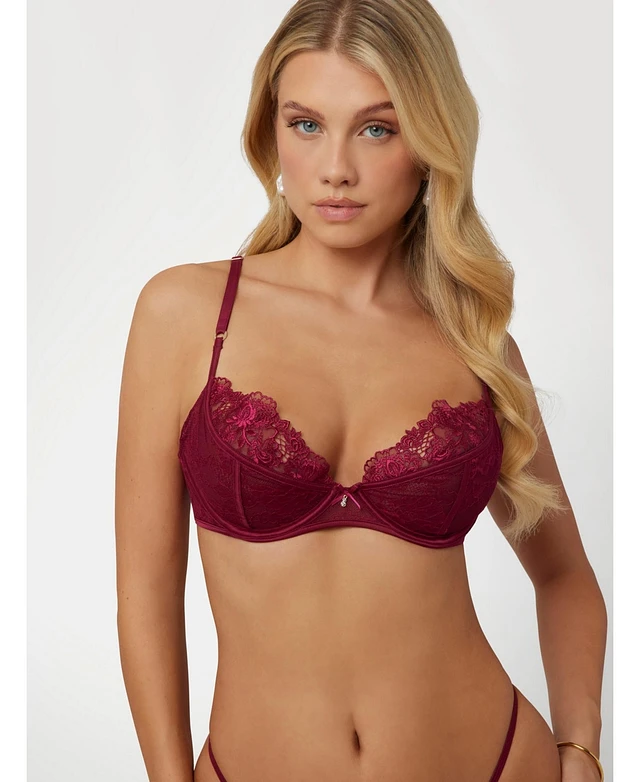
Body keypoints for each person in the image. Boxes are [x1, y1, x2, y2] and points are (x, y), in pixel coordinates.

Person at [115, 2, 607, 780]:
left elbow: (565, 574)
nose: (335, 168)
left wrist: (579, 751)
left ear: (430, 141)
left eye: (377, 129)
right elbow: (145, 595)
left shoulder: (476, 346)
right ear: (271, 131)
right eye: (307, 124)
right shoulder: (187, 316)